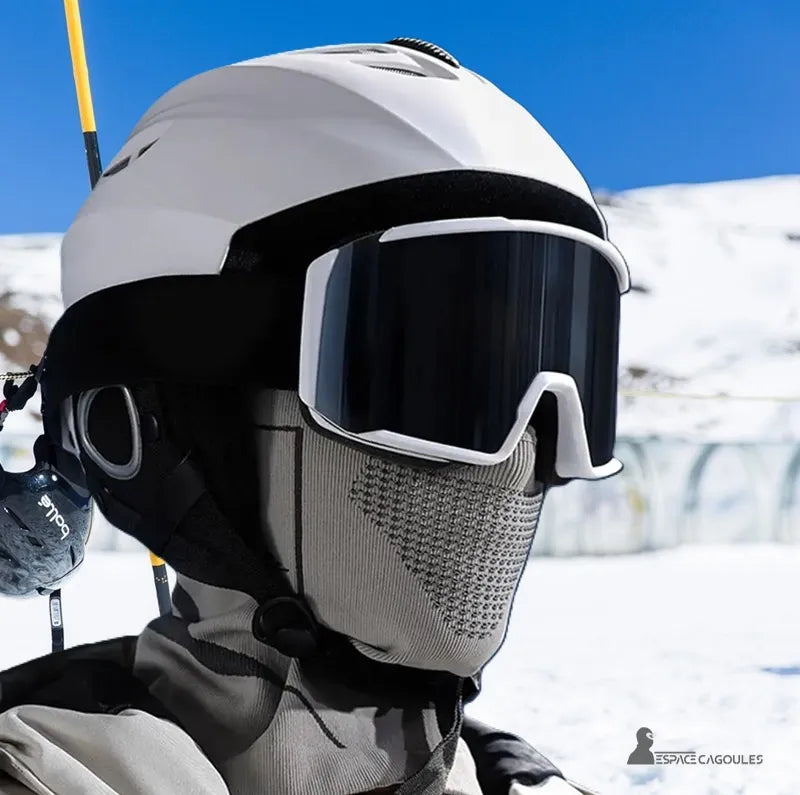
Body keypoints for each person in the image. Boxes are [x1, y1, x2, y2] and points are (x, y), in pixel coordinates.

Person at [0, 38, 628, 794]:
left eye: (565, 383)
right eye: (437, 379)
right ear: (155, 422)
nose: (522, 454)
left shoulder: (509, 776)